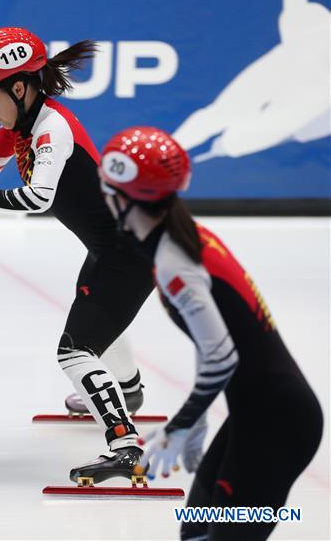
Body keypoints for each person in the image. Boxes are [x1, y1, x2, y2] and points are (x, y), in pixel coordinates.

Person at [0, 27, 155, 483]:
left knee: (74, 353)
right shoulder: (19, 122)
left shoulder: (51, 128)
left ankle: (126, 447)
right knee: (96, 315)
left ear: (19, 88)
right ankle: (129, 391)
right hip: (113, 248)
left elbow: (38, 197)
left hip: (129, 254)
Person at [99, 126, 323, 540]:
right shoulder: (181, 238)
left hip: (279, 423)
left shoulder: (175, 262)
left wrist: (178, 426)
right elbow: (217, 343)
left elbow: (223, 358)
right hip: (257, 413)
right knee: (196, 533)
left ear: (127, 198)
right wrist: (200, 421)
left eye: (107, 189)